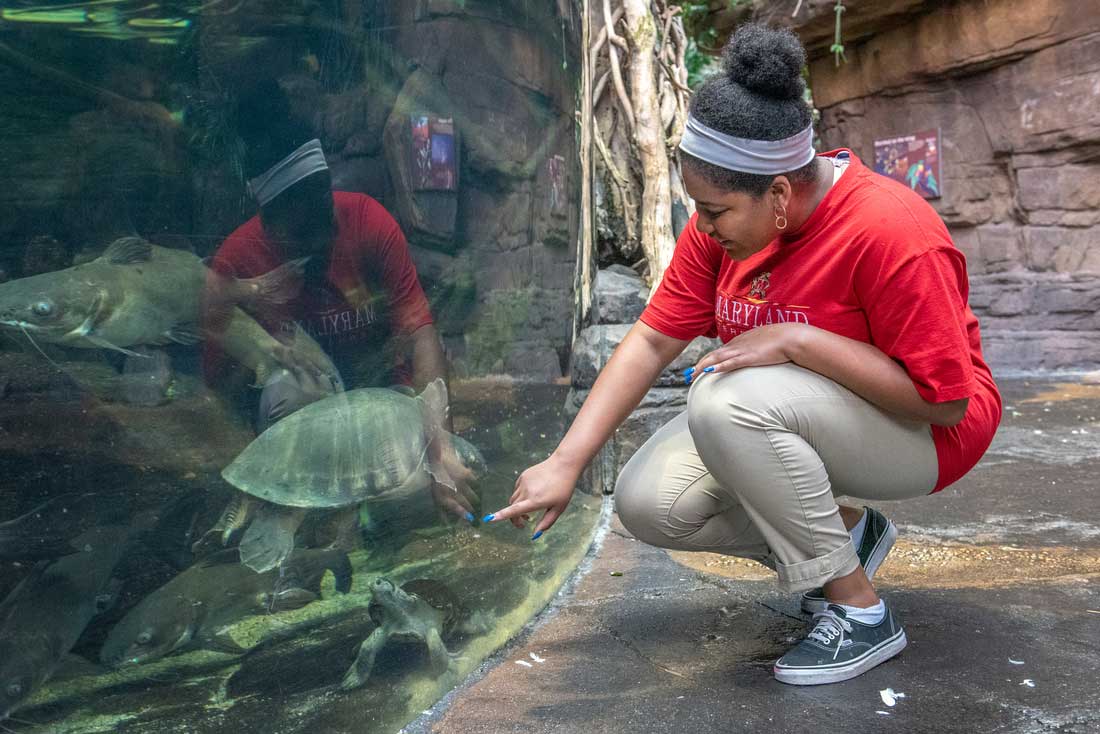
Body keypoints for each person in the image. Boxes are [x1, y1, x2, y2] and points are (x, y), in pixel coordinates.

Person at [485, 24, 1001, 686]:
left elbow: (945, 400)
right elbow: (650, 340)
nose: (700, 227)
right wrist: (565, 461)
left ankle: (860, 614)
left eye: (715, 211)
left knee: (724, 401)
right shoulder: (721, 230)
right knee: (649, 502)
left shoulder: (890, 231)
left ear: (779, 195)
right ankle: (848, 537)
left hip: (932, 433)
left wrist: (798, 340)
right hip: (798, 412)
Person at [202, 82, 474, 526]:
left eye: (323, 209)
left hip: (385, 401)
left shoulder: (367, 221)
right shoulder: (235, 263)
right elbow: (221, 391)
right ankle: (292, 512)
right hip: (303, 428)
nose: (322, 232)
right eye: (303, 226)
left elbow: (421, 333)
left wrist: (439, 448)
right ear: (268, 219)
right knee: (289, 390)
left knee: (427, 463)